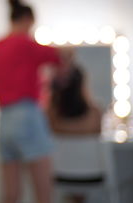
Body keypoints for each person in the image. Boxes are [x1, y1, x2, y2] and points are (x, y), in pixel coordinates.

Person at [0, 0, 61, 203]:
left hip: (4, 120)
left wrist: (2, 89)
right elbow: (61, 57)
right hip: (28, 116)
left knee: (10, 194)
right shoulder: (26, 44)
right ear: (28, 20)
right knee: (43, 191)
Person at [48, 60, 103, 203]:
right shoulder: (95, 114)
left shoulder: (51, 115)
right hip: (91, 175)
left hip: (61, 175)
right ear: (83, 85)